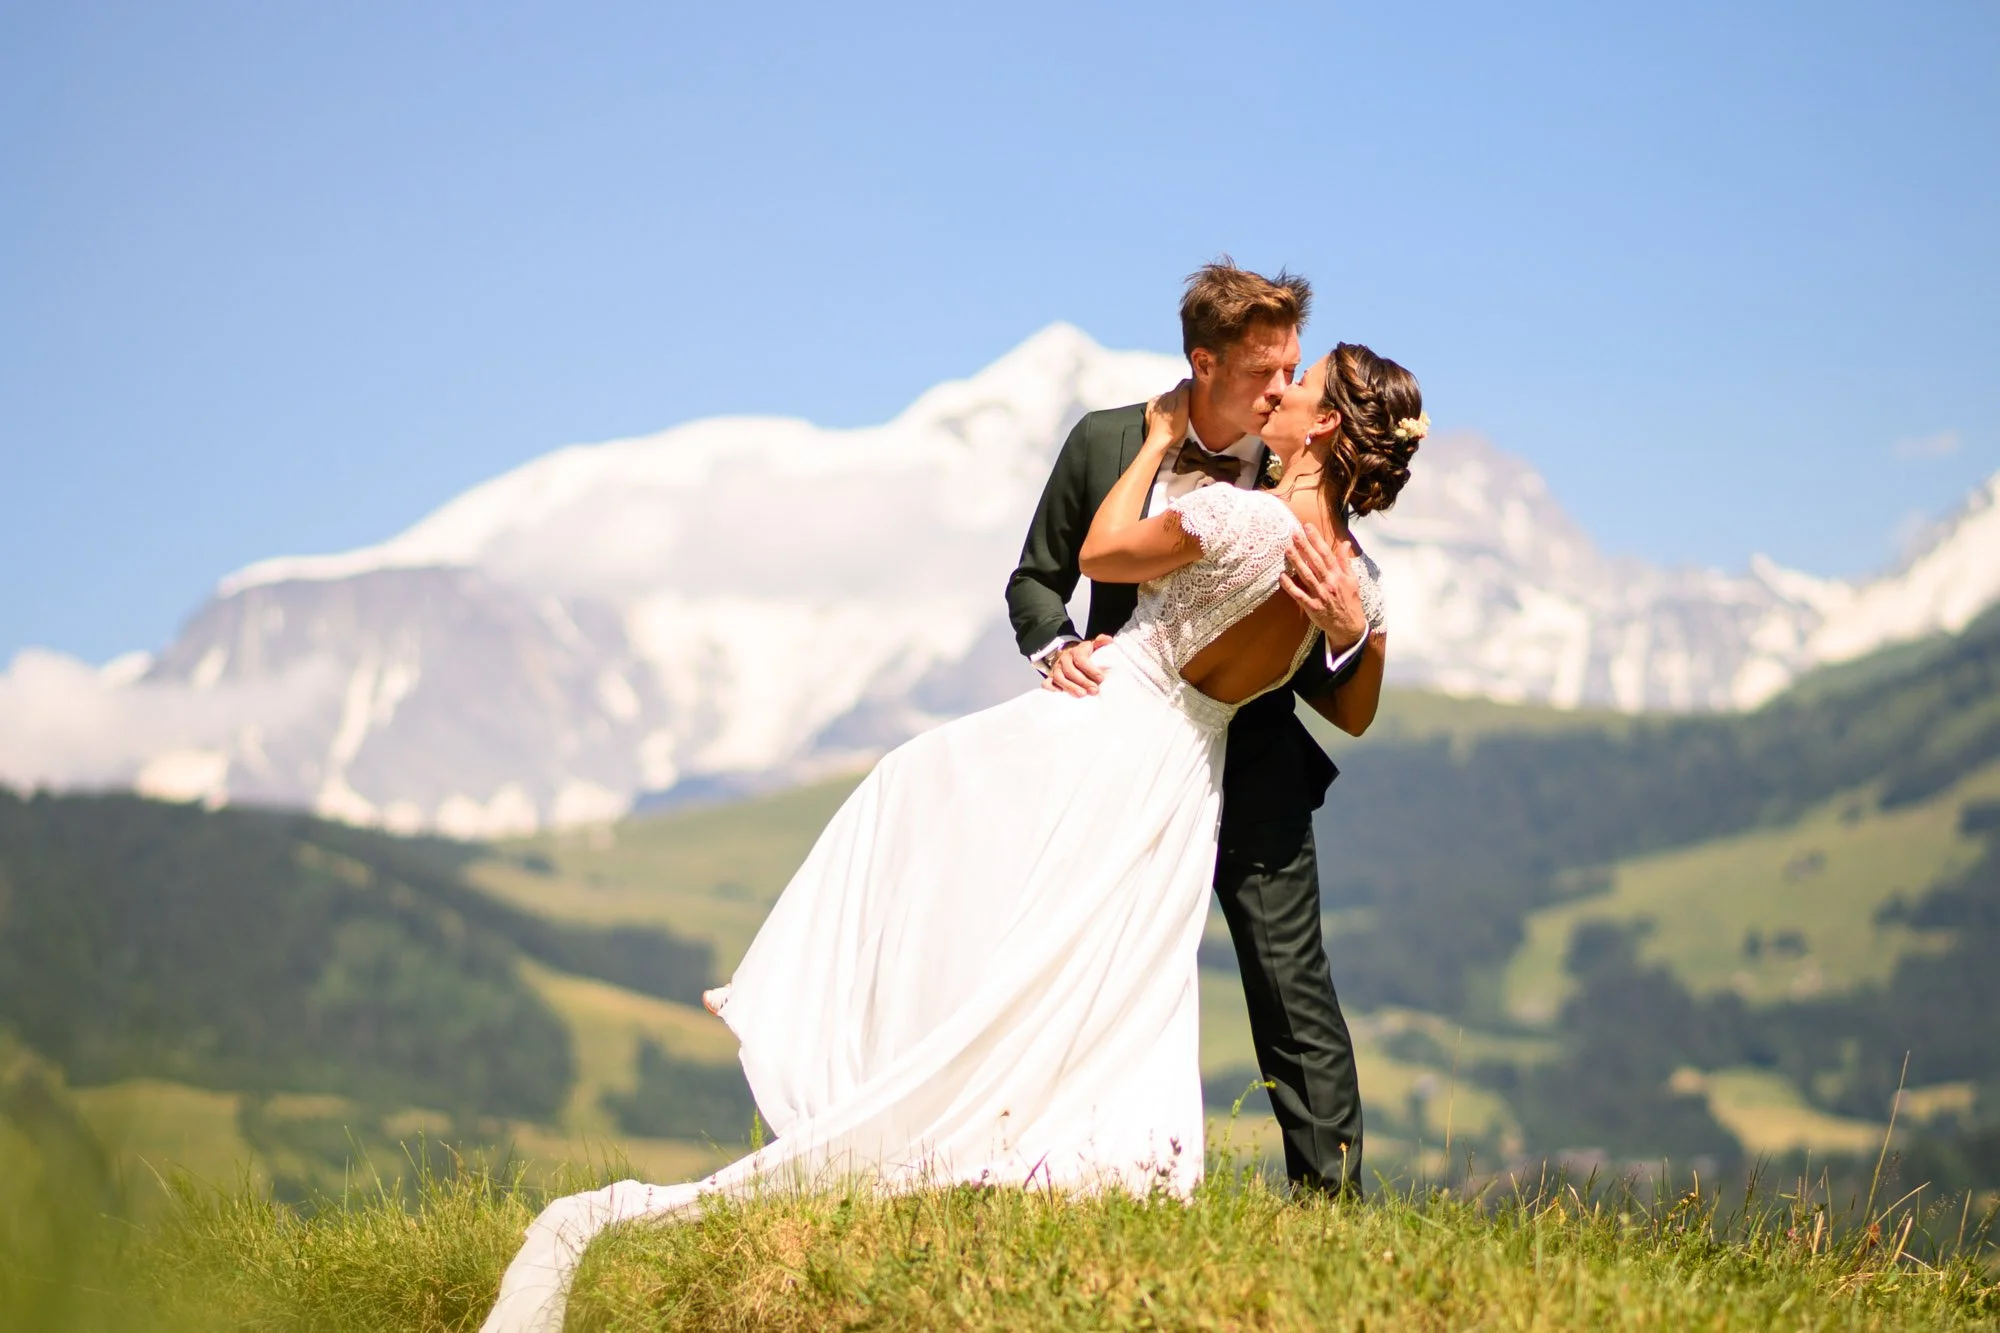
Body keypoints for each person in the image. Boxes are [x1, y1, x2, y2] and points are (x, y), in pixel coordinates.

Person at [477, 325, 1424, 1333]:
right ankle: (1068, 1141)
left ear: (1327, 424)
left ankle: (819, 1007)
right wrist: (1349, 633)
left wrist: (1154, 444)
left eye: (1301, 381)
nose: (1281, 390)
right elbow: (1356, 709)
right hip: (1187, 775)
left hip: (1119, 725)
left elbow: (1101, 550)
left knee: (915, 794)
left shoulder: (1241, 517)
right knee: (1104, 964)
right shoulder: (1355, 579)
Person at [1008, 263, 1397, 1195]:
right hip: (1125, 734)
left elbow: (1328, 684)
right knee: (1082, 946)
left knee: (1290, 978)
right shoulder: (1107, 439)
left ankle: (1331, 1202)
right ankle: (1041, 1155)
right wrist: (1057, 648)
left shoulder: (1297, 470)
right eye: (1266, 371)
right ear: (1205, 362)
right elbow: (1039, 578)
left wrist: (1350, 634)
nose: (1280, 388)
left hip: (1256, 756)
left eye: (1293, 370)